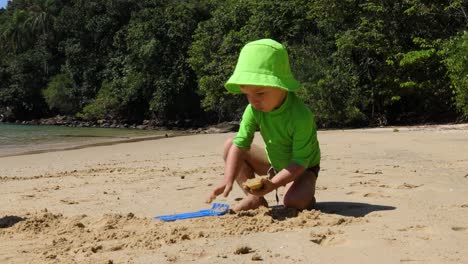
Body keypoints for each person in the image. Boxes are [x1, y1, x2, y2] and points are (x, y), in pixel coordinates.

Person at [206, 39, 321, 211]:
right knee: (231, 145)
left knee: (294, 202)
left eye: (260, 93)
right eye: (247, 95)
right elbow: (240, 145)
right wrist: (227, 179)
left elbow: (300, 162)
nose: (253, 101)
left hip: (303, 169)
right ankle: (254, 199)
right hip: (273, 163)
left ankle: (306, 198)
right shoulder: (253, 109)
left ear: (281, 85)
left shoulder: (300, 116)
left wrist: (272, 184)